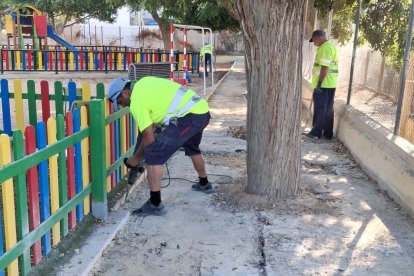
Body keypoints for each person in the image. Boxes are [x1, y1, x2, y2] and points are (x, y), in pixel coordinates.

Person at [107, 76, 212, 216]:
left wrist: (136, 158)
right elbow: (160, 102)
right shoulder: (143, 82)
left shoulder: (136, 103)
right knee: (192, 148)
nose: (121, 105)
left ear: (125, 93)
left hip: (189, 117)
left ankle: (155, 204)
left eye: (120, 101)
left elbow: (149, 138)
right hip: (201, 109)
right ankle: (204, 184)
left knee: (153, 154)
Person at [307, 30, 338, 140]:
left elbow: (324, 68)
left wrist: (319, 84)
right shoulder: (330, 46)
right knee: (328, 109)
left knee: (320, 108)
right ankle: (328, 133)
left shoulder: (325, 48)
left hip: (323, 84)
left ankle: (316, 133)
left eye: (314, 40)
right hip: (330, 83)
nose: (314, 43)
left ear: (318, 38)